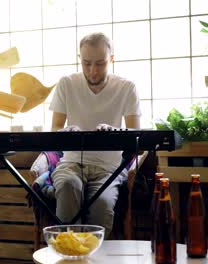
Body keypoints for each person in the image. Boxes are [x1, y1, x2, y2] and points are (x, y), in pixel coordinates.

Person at [50, 32, 141, 237]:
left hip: (108, 170)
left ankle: (94, 256)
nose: (92, 71)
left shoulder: (126, 88)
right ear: (79, 60)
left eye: (100, 63)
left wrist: (114, 132)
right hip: (71, 165)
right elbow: (55, 129)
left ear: (111, 59)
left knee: (102, 204)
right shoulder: (66, 83)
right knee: (67, 185)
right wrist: (66, 131)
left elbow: (136, 135)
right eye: (86, 63)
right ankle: (67, 253)